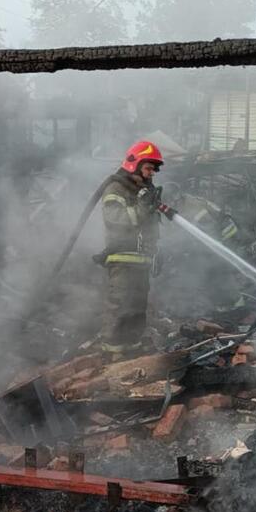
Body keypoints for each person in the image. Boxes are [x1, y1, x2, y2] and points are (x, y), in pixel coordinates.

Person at [94, 140, 164, 358]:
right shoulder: (116, 188)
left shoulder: (144, 191)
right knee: (120, 305)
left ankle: (132, 348)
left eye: (154, 169)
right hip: (122, 257)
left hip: (142, 259)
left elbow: (151, 227)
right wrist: (143, 207)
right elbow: (116, 219)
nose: (152, 173)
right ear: (134, 163)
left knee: (138, 306)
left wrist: (156, 251)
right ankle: (112, 352)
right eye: (149, 168)